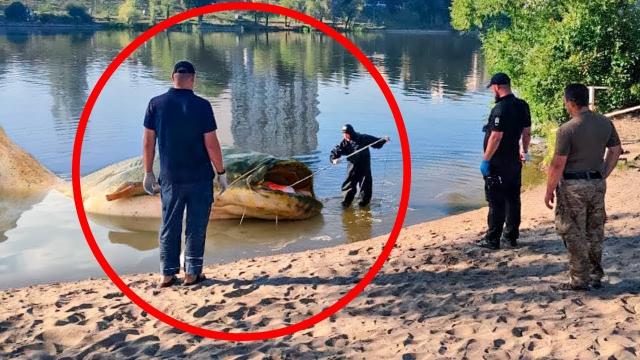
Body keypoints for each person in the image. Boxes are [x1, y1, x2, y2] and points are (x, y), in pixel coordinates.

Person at [142, 60, 228, 288]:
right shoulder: (202, 105)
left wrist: (148, 172)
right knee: (196, 226)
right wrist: (221, 172)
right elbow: (212, 144)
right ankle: (192, 274)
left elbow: (148, 142)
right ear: (193, 79)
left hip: (170, 177)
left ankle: (167, 275)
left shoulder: (156, 104)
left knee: (169, 225)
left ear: (172, 78)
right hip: (199, 176)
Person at [545, 83, 622, 291]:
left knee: (572, 231)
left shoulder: (567, 129)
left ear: (570, 102)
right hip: (597, 183)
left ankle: (579, 279)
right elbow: (615, 150)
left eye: (565, 101)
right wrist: (604, 172)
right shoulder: (605, 123)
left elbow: (558, 163)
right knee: (595, 230)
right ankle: (596, 275)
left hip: (573, 186)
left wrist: (549, 189)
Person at [477, 73, 532, 250]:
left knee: (496, 201)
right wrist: (525, 151)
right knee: (513, 200)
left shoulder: (500, 109)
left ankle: (492, 239)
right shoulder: (522, 106)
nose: (492, 91)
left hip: (497, 162)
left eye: (492, 87)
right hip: (514, 161)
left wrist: (485, 160)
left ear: (497, 87)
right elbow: (526, 133)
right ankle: (511, 237)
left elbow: (496, 137)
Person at [330, 124, 389, 208]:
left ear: (351, 132)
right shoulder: (344, 143)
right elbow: (335, 152)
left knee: (366, 187)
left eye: (346, 133)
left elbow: (376, 142)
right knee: (349, 186)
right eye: (343, 133)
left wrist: (384, 140)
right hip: (353, 167)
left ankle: (363, 205)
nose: (345, 135)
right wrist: (334, 160)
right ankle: (346, 204)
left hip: (365, 166)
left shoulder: (363, 138)